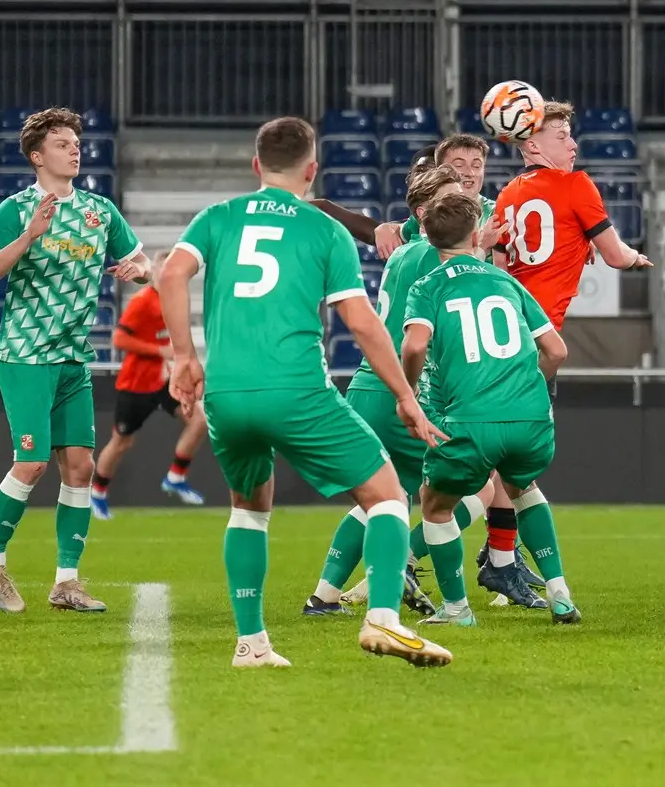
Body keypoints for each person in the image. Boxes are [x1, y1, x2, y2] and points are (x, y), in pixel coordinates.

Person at [157, 116, 451, 669]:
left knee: (248, 508)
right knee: (387, 494)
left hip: (227, 394)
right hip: (295, 389)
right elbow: (362, 323)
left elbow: (170, 275)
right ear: (312, 169)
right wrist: (406, 398)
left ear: (256, 165)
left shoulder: (216, 218)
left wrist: (184, 357)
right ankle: (384, 620)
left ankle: (251, 643)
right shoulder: (323, 229)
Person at [304, 165, 534, 616]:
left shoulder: (404, 253)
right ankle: (406, 560)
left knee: (381, 498)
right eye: (451, 201)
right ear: (427, 212)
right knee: (481, 488)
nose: (463, 207)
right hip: (406, 392)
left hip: (366, 389)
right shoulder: (439, 256)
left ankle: (324, 596)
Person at [0, 108, 149, 614]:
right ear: (36, 155)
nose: (75, 149)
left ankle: (66, 583)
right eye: (62, 143)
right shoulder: (15, 208)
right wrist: (28, 236)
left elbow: (143, 262)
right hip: (26, 355)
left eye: (76, 142)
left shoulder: (98, 211)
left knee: (80, 466)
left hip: (73, 359)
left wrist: (139, 270)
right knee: (30, 462)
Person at [481, 100, 651, 585]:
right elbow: (615, 257)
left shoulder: (508, 194)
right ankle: (413, 559)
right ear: (532, 145)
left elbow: (501, 268)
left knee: (504, 470)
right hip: (533, 344)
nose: (573, 144)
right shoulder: (577, 185)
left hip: (496, 334)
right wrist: (635, 257)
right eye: (562, 136)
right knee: (496, 470)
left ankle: (500, 563)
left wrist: (576, 249)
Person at [402, 191, 578, 626]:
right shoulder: (507, 282)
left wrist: (407, 395)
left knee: (435, 504)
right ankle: (560, 595)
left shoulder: (428, 286)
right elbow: (555, 350)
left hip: (469, 419)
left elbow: (415, 343)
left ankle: (457, 609)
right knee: (523, 488)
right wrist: (523, 386)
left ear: (427, 236)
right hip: (531, 418)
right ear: (478, 232)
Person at [89, 250, 209, 520]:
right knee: (122, 442)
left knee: (199, 420)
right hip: (135, 385)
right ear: (156, 269)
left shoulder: (172, 301)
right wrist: (159, 351)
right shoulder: (142, 302)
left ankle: (176, 477)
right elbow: (119, 340)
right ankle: (97, 493)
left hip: (163, 382)